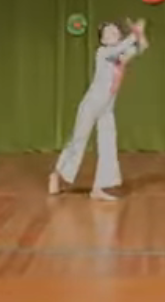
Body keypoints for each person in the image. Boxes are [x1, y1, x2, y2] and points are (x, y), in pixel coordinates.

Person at [49, 18, 149, 201]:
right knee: (78, 140)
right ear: (102, 40)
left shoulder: (121, 55)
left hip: (107, 108)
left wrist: (140, 33)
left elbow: (142, 47)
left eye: (114, 31)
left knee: (108, 145)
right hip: (91, 105)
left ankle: (99, 187)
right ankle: (57, 174)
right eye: (107, 32)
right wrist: (134, 34)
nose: (112, 33)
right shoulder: (102, 52)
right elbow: (122, 47)